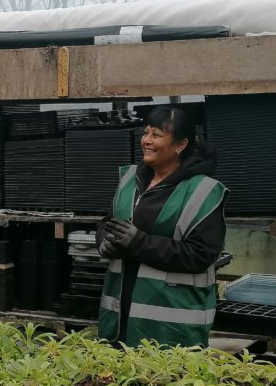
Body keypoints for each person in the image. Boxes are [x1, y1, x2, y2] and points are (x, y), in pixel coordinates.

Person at [97, 106, 228, 348]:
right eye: (146, 133)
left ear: (180, 145)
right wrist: (105, 241)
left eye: (156, 135)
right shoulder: (130, 180)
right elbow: (108, 223)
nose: (146, 140)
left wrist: (139, 243)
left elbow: (201, 255)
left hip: (169, 326)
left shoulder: (203, 191)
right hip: (119, 319)